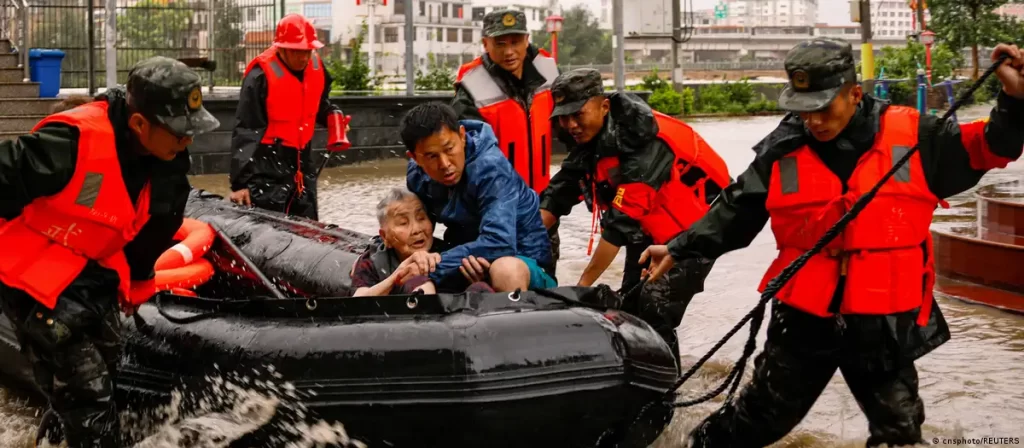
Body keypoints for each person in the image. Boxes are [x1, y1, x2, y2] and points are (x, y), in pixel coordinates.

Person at [641, 38, 1024, 447]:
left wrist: (1014, 97)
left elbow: (991, 147)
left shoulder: (916, 134)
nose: (814, 121)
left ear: (854, 94)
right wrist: (679, 246)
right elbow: (735, 210)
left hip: (884, 317)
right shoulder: (781, 149)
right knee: (759, 419)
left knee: (899, 428)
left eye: (824, 108)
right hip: (804, 314)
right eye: (804, 109)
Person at [0, 56, 220, 448]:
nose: (188, 140)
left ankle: (55, 437)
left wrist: (139, 278)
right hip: (36, 280)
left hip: (92, 269)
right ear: (139, 124)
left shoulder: (166, 154)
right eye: (178, 132)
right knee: (89, 394)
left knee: (109, 361)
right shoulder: (70, 143)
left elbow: (159, 222)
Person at [537, 68, 730, 358]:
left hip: (695, 234)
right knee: (629, 309)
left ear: (603, 106)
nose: (571, 124)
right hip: (648, 233)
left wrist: (581, 287)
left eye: (578, 114)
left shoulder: (644, 145)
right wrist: (520, 244)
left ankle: (665, 394)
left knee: (654, 309)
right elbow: (556, 197)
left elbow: (617, 228)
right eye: (564, 117)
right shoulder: (589, 143)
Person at [403, 102, 556, 293]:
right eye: (432, 156)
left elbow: (500, 243)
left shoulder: (491, 169)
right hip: (465, 260)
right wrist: (417, 259)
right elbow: (418, 231)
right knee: (413, 269)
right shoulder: (417, 175)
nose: (444, 164)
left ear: (461, 135)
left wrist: (437, 265)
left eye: (449, 149)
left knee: (505, 269)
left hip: (520, 260)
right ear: (415, 158)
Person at [452, 8, 562, 272]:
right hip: (493, 214)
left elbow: (574, 129)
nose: (509, 51)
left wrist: (558, 200)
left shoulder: (548, 70)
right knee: (499, 287)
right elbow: (468, 161)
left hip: (542, 208)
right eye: (500, 44)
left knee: (546, 284)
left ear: (527, 39)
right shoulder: (471, 87)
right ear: (485, 44)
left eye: (515, 42)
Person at [229, 13, 348, 220]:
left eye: (307, 51)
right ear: (281, 48)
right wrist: (240, 184)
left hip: (302, 162)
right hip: (267, 164)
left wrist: (332, 118)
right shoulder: (259, 77)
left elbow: (319, 105)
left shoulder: (317, 69)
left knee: (308, 225)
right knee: (270, 228)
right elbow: (246, 130)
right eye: (296, 52)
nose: (303, 58)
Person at [350, 187, 495, 296]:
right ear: (385, 236)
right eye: (403, 223)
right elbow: (358, 302)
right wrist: (397, 276)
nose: (417, 229)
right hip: (410, 324)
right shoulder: (373, 261)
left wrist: (477, 278)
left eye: (421, 218)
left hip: (459, 322)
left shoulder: (450, 252)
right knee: (416, 281)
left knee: (480, 288)